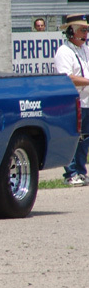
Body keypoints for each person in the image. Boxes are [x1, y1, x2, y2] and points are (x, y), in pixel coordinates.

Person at [54, 13, 89, 186]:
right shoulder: (64, 51)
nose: (85, 34)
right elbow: (67, 78)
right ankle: (71, 173)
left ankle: (81, 172)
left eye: (86, 30)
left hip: (86, 101)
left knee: (85, 139)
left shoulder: (85, 49)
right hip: (73, 103)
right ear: (70, 31)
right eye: (82, 30)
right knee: (74, 138)